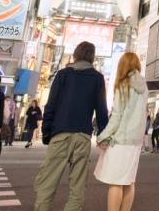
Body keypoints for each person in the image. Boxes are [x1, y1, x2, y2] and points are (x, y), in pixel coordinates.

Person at [33, 41, 109, 211]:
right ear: (92, 57)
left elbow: (51, 105)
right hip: (82, 136)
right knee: (78, 186)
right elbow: (101, 111)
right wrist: (104, 136)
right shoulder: (97, 78)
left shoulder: (63, 74)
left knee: (47, 181)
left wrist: (46, 132)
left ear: (75, 54)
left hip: (60, 134)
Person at [95, 52, 148, 211]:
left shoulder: (124, 84)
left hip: (121, 141)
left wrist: (102, 136)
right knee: (129, 181)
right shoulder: (143, 86)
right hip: (135, 142)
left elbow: (117, 116)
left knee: (115, 182)